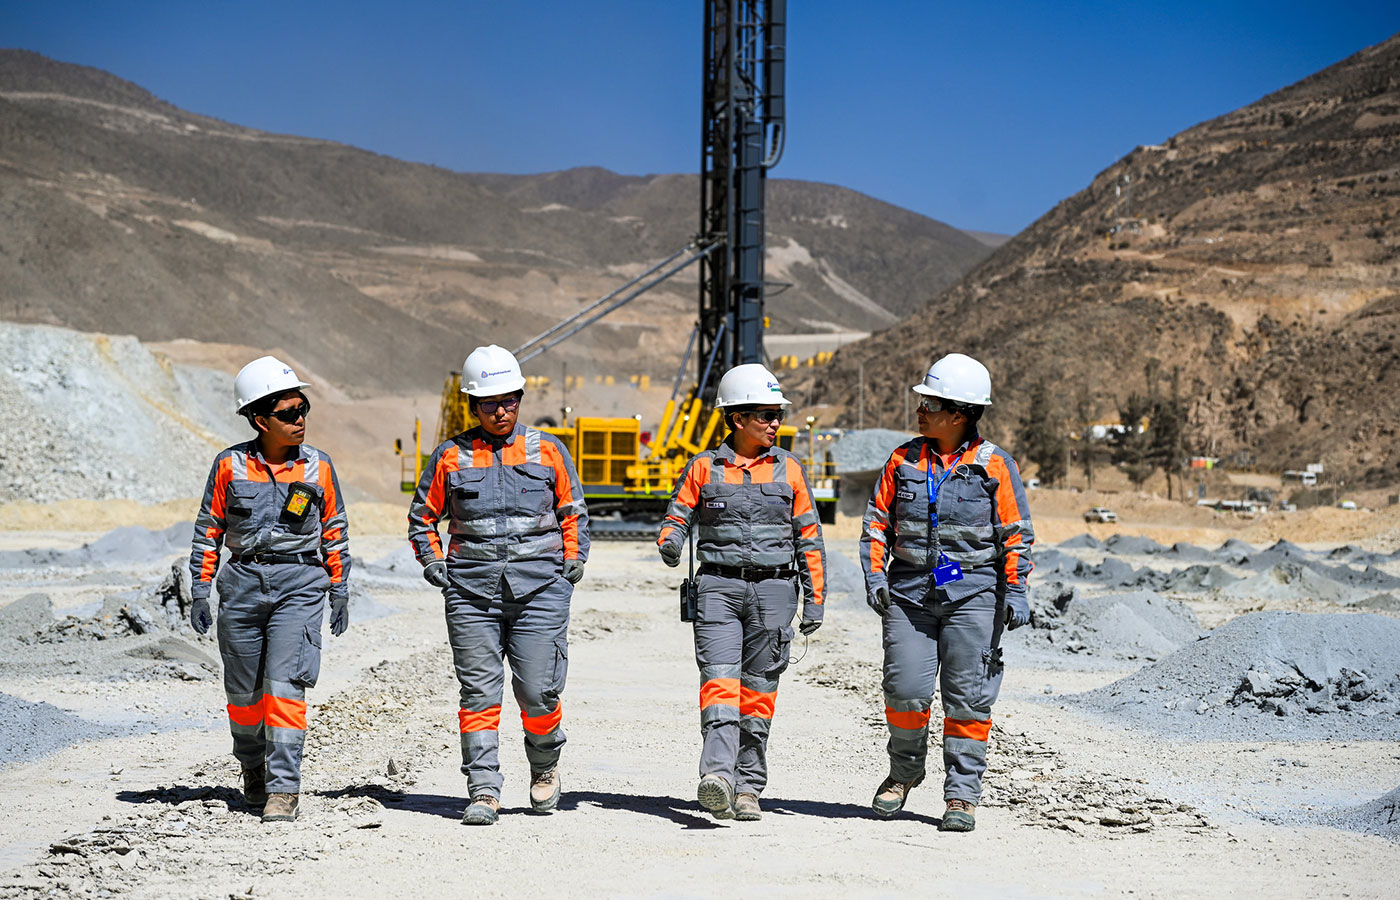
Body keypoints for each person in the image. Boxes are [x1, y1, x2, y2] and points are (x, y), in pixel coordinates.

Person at [408, 345, 588, 826]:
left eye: (509, 399)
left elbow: (573, 514)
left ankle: (545, 766)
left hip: (541, 593)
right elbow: (421, 519)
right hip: (470, 593)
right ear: (472, 405)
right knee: (479, 694)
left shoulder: (548, 451)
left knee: (538, 692)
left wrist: (572, 566)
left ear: (521, 397)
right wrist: (434, 565)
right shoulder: (449, 456)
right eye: (490, 402)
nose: (501, 410)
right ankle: (484, 789)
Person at [859, 352, 1033, 833]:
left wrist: (1015, 590)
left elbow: (1016, 534)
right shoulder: (902, 459)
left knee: (969, 699)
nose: (920, 410)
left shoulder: (995, 466)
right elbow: (876, 526)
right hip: (910, 595)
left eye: (929, 403)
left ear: (959, 413)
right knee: (905, 692)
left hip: (973, 595)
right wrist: (876, 578)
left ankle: (961, 795)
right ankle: (903, 773)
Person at [657, 363, 826, 821]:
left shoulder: (790, 470)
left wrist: (816, 599)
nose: (775, 423)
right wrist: (671, 542)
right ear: (736, 418)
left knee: (758, 692)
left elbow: (809, 536)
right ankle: (717, 777)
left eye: (777, 414)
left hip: (774, 591)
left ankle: (749, 786)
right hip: (718, 588)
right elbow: (677, 516)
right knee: (719, 683)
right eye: (765, 415)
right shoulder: (703, 468)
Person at [188, 355, 352, 823]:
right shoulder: (229, 466)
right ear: (259, 419)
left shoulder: (318, 468)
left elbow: (335, 528)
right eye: (287, 413)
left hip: (299, 585)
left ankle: (284, 788)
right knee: (244, 695)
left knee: (284, 686)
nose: (299, 420)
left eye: (303, 409)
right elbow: (209, 529)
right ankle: (252, 770)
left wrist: (339, 588)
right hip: (241, 586)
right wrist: (201, 589)